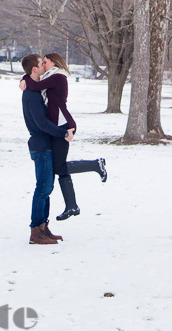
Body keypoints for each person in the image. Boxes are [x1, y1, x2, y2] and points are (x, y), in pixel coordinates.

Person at [20, 51, 107, 221]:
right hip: (57, 128)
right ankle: (71, 206)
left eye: (45, 62)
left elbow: (36, 85)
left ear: (53, 62)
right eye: (41, 63)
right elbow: (34, 79)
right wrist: (24, 77)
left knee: (59, 167)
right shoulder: (49, 77)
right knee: (58, 167)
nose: (43, 65)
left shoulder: (58, 77)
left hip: (63, 127)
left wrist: (25, 79)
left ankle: (96, 165)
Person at [21, 53, 73, 245]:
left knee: (47, 188)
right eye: (41, 64)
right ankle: (36, 231)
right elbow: (42, 123)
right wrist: (62, 134)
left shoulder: (34, 88)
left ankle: (43, 227)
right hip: (41, 146)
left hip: (45, 145)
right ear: (35, 69)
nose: (44, 66)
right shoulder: (31, 95)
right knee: (42, 188)